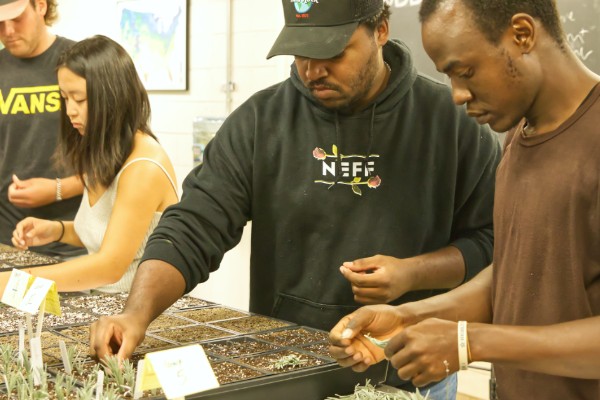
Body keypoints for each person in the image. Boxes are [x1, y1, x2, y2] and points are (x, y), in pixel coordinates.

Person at [90, 0, 500, 397]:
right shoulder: (259, 122)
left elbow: (491, 243)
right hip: (287, 366)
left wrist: (413, 273)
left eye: (332, 52)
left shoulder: (453, 122)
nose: (312, 70)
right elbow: (194, 226)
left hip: (411, 367)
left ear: (380, 30)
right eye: (300, 52)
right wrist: (136, 313)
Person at [329, 0, 600, 399]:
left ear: (522, 34)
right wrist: (409, 316)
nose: (457, 95)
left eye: (465, 71)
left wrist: (470, 342)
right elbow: (514, 274)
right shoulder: (520, 137)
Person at [2, 35, 179, 295]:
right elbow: (109, 233)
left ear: (112, 96)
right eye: (65, 98)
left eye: (79, 99)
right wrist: (56, 230)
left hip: (142, 314)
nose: (70, 110)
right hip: (106, 304)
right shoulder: (106, 153)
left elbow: (109, 266)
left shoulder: (144, 167)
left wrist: (13, 283)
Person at [0, 0, 84, 258]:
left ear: (40, 5)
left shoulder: (80, 62)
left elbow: (119, 158)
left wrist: (58, 189)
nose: (8, 31)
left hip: (74, 235)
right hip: (8, 238)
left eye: (17, 19)